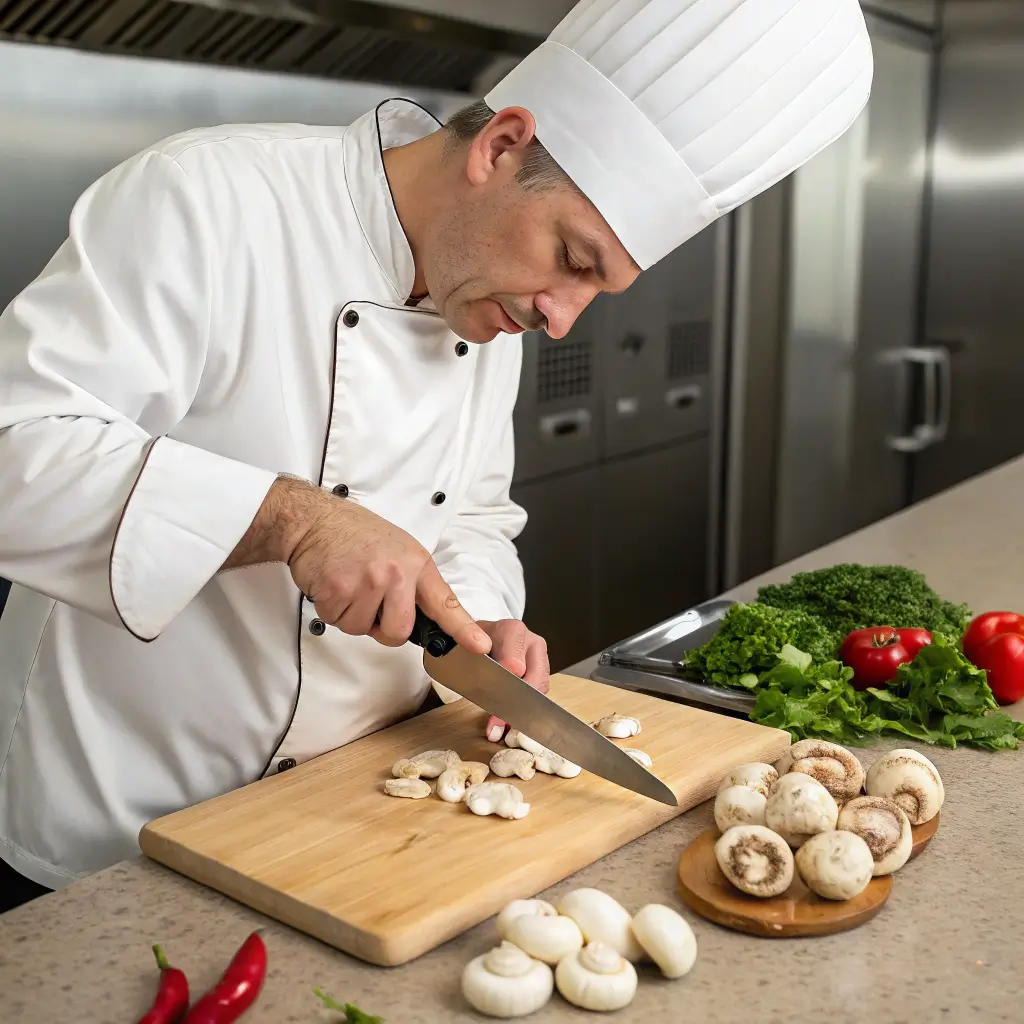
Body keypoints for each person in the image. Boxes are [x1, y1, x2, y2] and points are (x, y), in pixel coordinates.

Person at [0, 0, 873, 911]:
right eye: (573, 259)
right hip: (121, 826)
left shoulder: (486, 293)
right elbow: (14, 450)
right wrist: (293, 519)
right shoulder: (207, 198)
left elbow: (476, 516)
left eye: (599, 286)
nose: (563, 316)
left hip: (353, 821)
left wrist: (485, 622)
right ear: (500, 146)